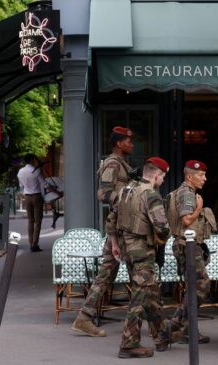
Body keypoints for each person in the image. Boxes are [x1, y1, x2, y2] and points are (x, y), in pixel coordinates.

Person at [71, 126, 133, 337]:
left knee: (108, 274)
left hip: (121, 224)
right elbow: (105, 194)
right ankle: (156, 326)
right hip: (121, 225)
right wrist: (129, 201)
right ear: (119, 143)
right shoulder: (113, 164)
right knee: (140, 276)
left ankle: (84, 317)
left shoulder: (120, 164)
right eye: (128, 141)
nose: (132, 144)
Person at [115, 157, 179, 358]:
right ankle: (128, 344)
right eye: (163, 177)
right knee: (139, 297)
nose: (162, 181)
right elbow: (162, 227)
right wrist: (164, 237)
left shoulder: (127, 189)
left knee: (151, 294)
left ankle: (161, 336)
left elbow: (114, 218)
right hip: (143, 250)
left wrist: (116, 242)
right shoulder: (150, 194)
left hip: (129, 248)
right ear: (157, 174)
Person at [165, 160, 212, 344]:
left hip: (190, 245)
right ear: (189, 176)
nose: (205, 178)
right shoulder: (187, 193)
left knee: (195, 287)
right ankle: (173, 327)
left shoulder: (188, 192)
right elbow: (186, 220)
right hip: (188, 245)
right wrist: (199, 208)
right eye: (201, 175)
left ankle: (187, 330)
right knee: (201, 286)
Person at [16, 154, 46, 252]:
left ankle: (30, 242)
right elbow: (44, 183)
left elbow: (21, 185)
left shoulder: (20, 171)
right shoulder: (37, 170)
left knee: (30, 221)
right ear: (33, 160)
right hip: (37, 196)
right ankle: (34, 244)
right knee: (37, 221)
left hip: (27, 196)